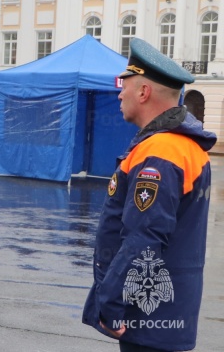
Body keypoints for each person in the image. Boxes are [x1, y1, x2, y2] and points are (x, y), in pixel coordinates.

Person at [83, 38, 217, 352]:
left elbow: (144, 237)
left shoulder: (161, 151)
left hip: (148, 313)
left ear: (143, 92)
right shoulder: (178, 146)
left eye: (124, 85)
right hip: (164, 313)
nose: (119, 92)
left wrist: (112, 304)